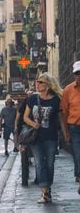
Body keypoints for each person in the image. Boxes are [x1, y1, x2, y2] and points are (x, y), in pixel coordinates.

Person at [23, 73, 63, 203]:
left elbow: (60, 119)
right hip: (36, 138)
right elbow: (25, 117)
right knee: (40, 163)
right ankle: (44, 192)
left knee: (50, 164)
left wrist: (65, 133)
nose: (37, 84)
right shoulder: (33, 99)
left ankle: (48, 188)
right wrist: (33, 124)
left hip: (51, 137)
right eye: (37, 81)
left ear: (47, 85)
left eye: (40, 82)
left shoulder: (56, 100)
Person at [60, 60, 80, 194]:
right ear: (74, 75)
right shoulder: (68, 90)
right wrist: (65, 133)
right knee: (78, 155)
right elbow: (63, 113)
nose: (79, 76)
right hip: (75, 128)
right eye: (77, 73)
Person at [15, 90, 35, 186]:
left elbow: (18, 118)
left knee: (24, 156)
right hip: (28, 132)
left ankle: (25, 179)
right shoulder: (32, 104)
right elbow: (18, 118)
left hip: (24, 133)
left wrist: (16, 128)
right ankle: (27, 178)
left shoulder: (23, 105)